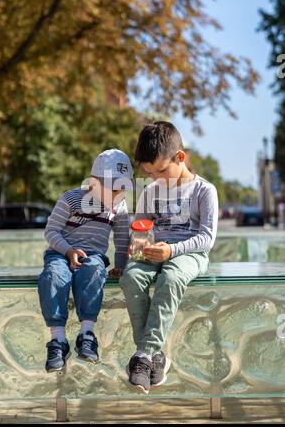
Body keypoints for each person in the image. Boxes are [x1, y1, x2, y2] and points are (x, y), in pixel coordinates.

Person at [120, 121, 219, 394]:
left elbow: (207, 239)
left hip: (189, 252)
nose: (156, 179)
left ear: (180, 157)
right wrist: (138, 245)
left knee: (171, 277)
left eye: (162, 171)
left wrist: (172, 251)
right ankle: (155, 358)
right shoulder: (151, 191)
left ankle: (143, 355)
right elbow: (140, 227)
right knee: (131, 277)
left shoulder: (204, 191)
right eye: (150, 173)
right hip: (155, 252)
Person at [38, 149, 133, 373]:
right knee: (53, 276)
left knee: (93, 271)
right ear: (93, 183)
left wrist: (121, 265)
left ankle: (87, 333)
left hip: (93, 255)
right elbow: (51, 231)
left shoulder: (119, 207)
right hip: (61, 252)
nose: (117, 194)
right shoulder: (70, 199)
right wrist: (68, 251)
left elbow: (122, 238)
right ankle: (58, 340)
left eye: (122, 188)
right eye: (112, 188)